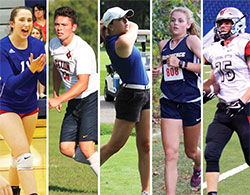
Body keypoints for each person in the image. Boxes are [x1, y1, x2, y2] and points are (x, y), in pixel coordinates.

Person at [100, 7, 150, 195]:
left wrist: (103, 26)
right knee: (115, 145)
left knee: (144, 145)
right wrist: (103, 26)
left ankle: (145, 191)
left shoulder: (115, 35)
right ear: (111, 26)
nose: (126, 21)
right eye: (121, 19)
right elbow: (135, 27)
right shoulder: (120, 43)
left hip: (143, 93)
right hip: (130, 96)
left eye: (125, 17)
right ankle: (94, 166)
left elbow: (131, 25)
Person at [152, 7, 201, 194]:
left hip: (191, 103)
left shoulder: (192, 41)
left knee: (190, 151)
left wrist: (181, 63)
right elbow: (165, 66)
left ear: (188, 25)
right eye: (173, 20)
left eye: (180, 20)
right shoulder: (163, 44)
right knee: (170, 154)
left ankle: (197, 165)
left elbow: (205, 66)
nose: (175, 23)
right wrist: (158, 70)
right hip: (169, 102)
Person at [203, 7, 250, 195]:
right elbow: (214, 81)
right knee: (211, 153)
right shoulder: (214, 49)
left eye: (227, 22)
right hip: (224, 110)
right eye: (220, 23)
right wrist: (205, 91)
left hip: (245, 108)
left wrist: (242, 100)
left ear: (237, 23)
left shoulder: (244, 43)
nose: (223, 26)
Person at [0, 6, 46, 195]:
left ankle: (14, 191)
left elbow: (43, 79)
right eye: (22, 20)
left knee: (17, 155)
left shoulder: (37, 45)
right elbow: (10, 84)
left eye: (29, 20)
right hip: (6, 107)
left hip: (30, 107)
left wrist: (43, 70)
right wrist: (31, 70)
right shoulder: (2, 47)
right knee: (25, 157)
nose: (26, 24)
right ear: (12, 24)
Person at [49, 7, 99, 176]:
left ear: (74, 27)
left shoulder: (82, 50)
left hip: (89, 98)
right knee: (66, 147)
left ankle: (102, 173)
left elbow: (83, 83)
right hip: (74, 100)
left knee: (86, 148)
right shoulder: (53, 44)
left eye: (64, 24)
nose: (59, 28)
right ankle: (100, 161)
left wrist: (59, 100)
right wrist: (56, 92)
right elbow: (56, 67)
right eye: (56, 24)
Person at [31, 26, 46, 99]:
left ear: (40, 35)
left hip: (40, 63)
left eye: (37, 33)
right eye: (33, 33)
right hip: (31, 64)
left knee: (41, 72)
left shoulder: (42, 45)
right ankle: (35, 92)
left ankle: (41, 93)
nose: (35, 35)